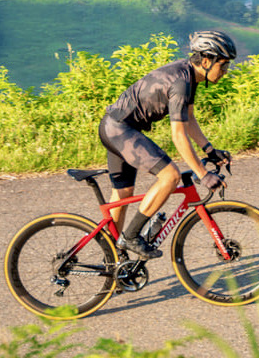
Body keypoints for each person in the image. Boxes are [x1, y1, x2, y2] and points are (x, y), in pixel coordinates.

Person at [98, 29, 237, 260]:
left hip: (115, 127)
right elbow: (179, 135)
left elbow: (189, 119)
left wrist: (210, 150)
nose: (225, 71)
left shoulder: (189, 76)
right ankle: (131, 237)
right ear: (205, 61)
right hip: (120, 130)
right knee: (170, 176)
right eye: (222, 65)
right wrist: (202, 174)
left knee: (122, 195)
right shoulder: (182, 83)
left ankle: (113, 262)